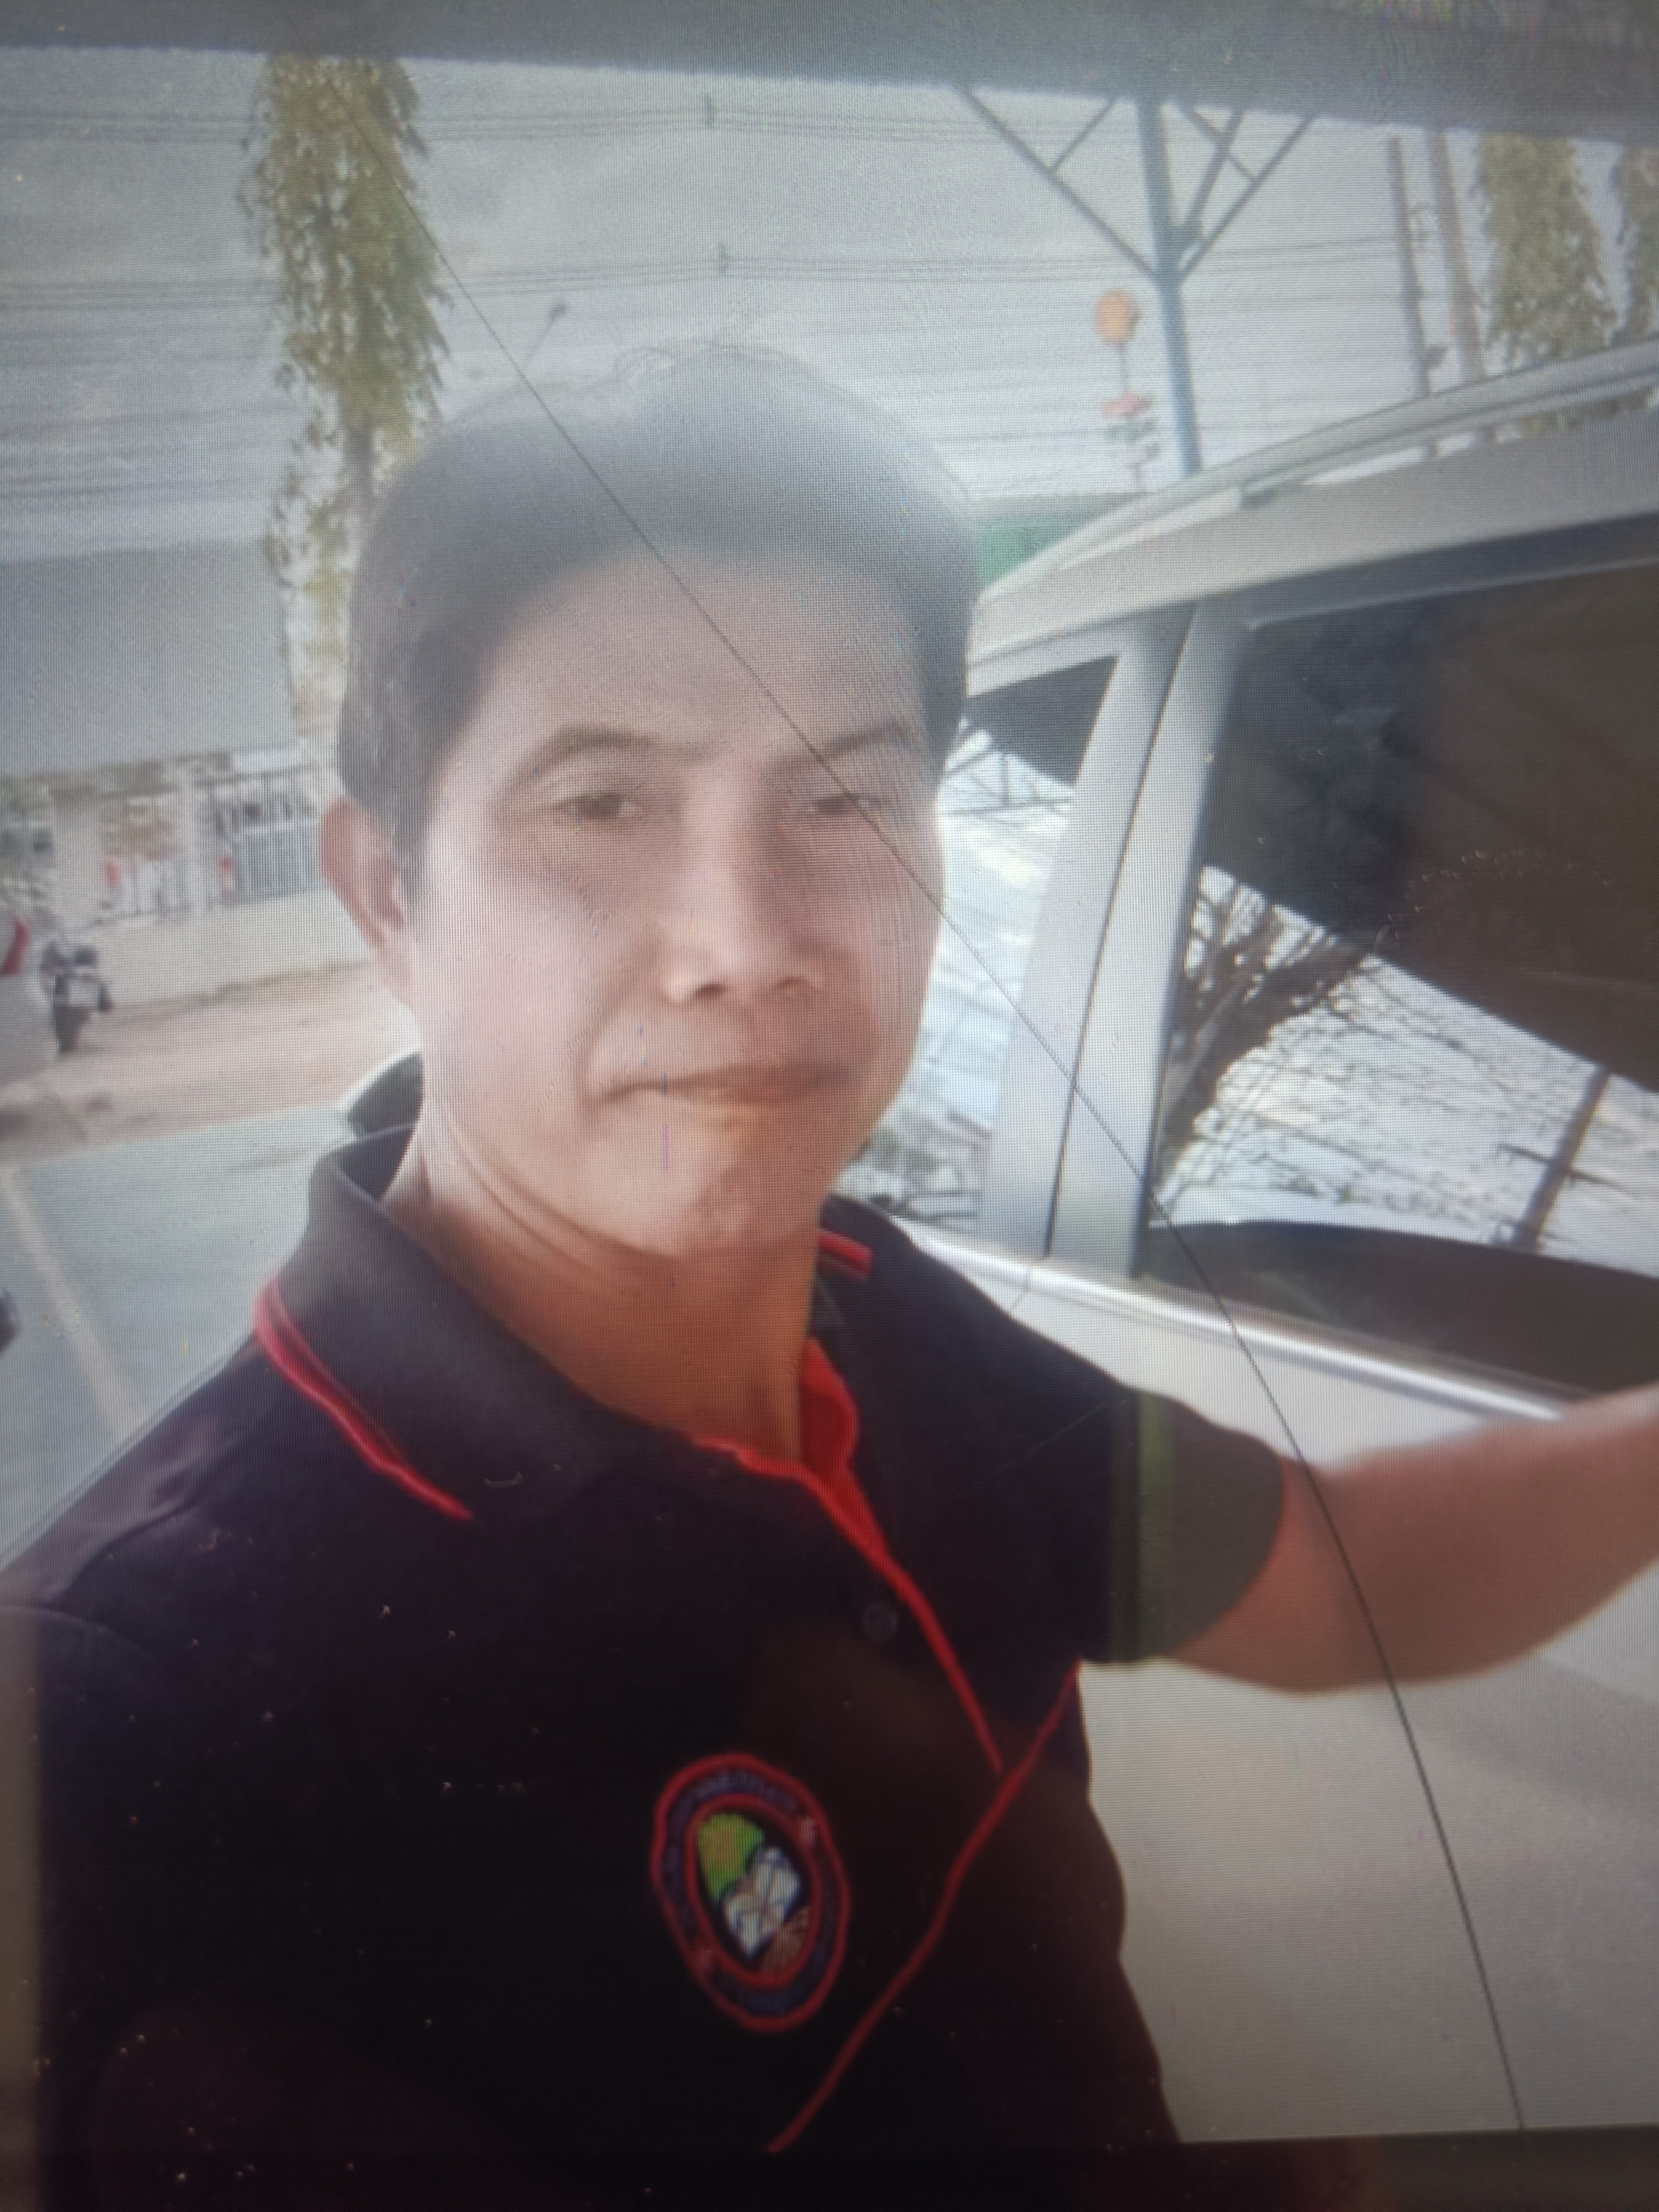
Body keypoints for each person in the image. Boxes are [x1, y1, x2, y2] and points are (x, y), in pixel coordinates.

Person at [5, 354, 1656, 2210]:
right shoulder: (126, 1712)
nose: (749, 942)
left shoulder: (882, 1318)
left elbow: (1333, 1584)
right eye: (600, 803)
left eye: (844, 800)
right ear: (390, 892)